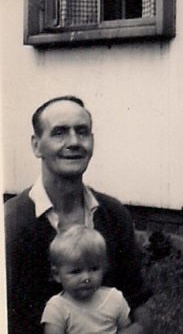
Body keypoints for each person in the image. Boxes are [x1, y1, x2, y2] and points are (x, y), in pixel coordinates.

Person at [4, 96, 153, 334]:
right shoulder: (9, 223)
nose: (74, 141)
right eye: (59, 133)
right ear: (36, 145)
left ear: (92, 141)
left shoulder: (114, 214)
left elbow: (138, 302)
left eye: (82, 132)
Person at [42, 224, 142, 333]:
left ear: (104, 267)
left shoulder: (115, 299)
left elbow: (126, 330)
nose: (86, 278)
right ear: (57, 274)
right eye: (76, 271)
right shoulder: (57, 308)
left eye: (94, 269)